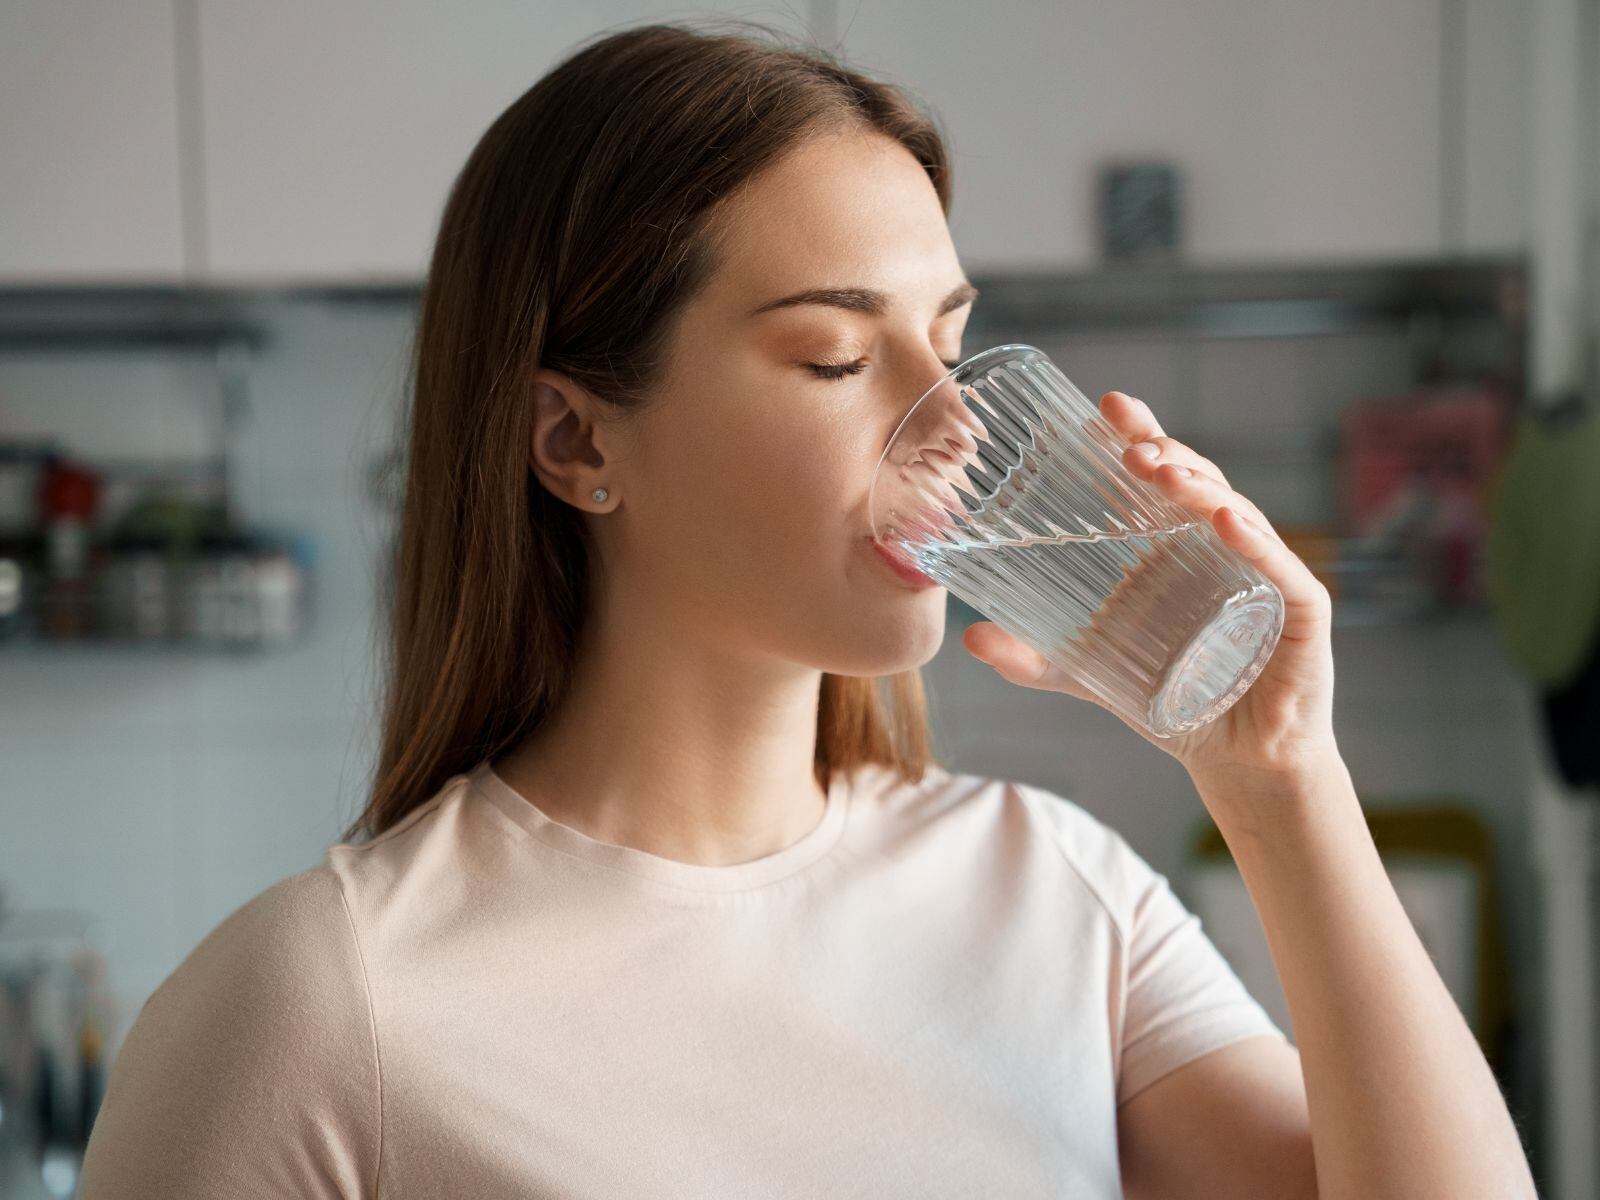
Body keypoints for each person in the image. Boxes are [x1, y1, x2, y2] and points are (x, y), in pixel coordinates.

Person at [81, 19, 1536, 1200]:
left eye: (953, 338)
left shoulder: (1054, 895)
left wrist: (1281, 782)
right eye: (839, 357)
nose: (952, 422)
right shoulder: (328, 1010)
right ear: (578, 444)